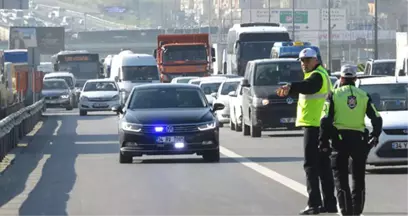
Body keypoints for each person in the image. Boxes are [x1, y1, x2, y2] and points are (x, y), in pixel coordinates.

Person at [276, 48, 337, 215]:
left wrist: (291, 86)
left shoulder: (317, 76)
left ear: (315, 60)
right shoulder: (320, 74)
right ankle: (330, 204)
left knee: (310, 166)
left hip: (314, 126)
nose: (304, 64)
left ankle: (314, 204)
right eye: (302, 61)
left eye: (307, 60)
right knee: (323, 166)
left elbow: (309, 87)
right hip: (321, 125)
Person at [319, 70, 382, 216]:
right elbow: (377, 118)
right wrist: (375, 135)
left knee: (340, 176)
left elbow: (325, 119)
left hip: (340, 140)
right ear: (355, 78)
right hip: (359, 139)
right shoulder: (363, 95)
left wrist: (323, 141)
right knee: (358, 177)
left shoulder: (333, 94)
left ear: (341, 79)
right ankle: (357, 211)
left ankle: (345, 211)